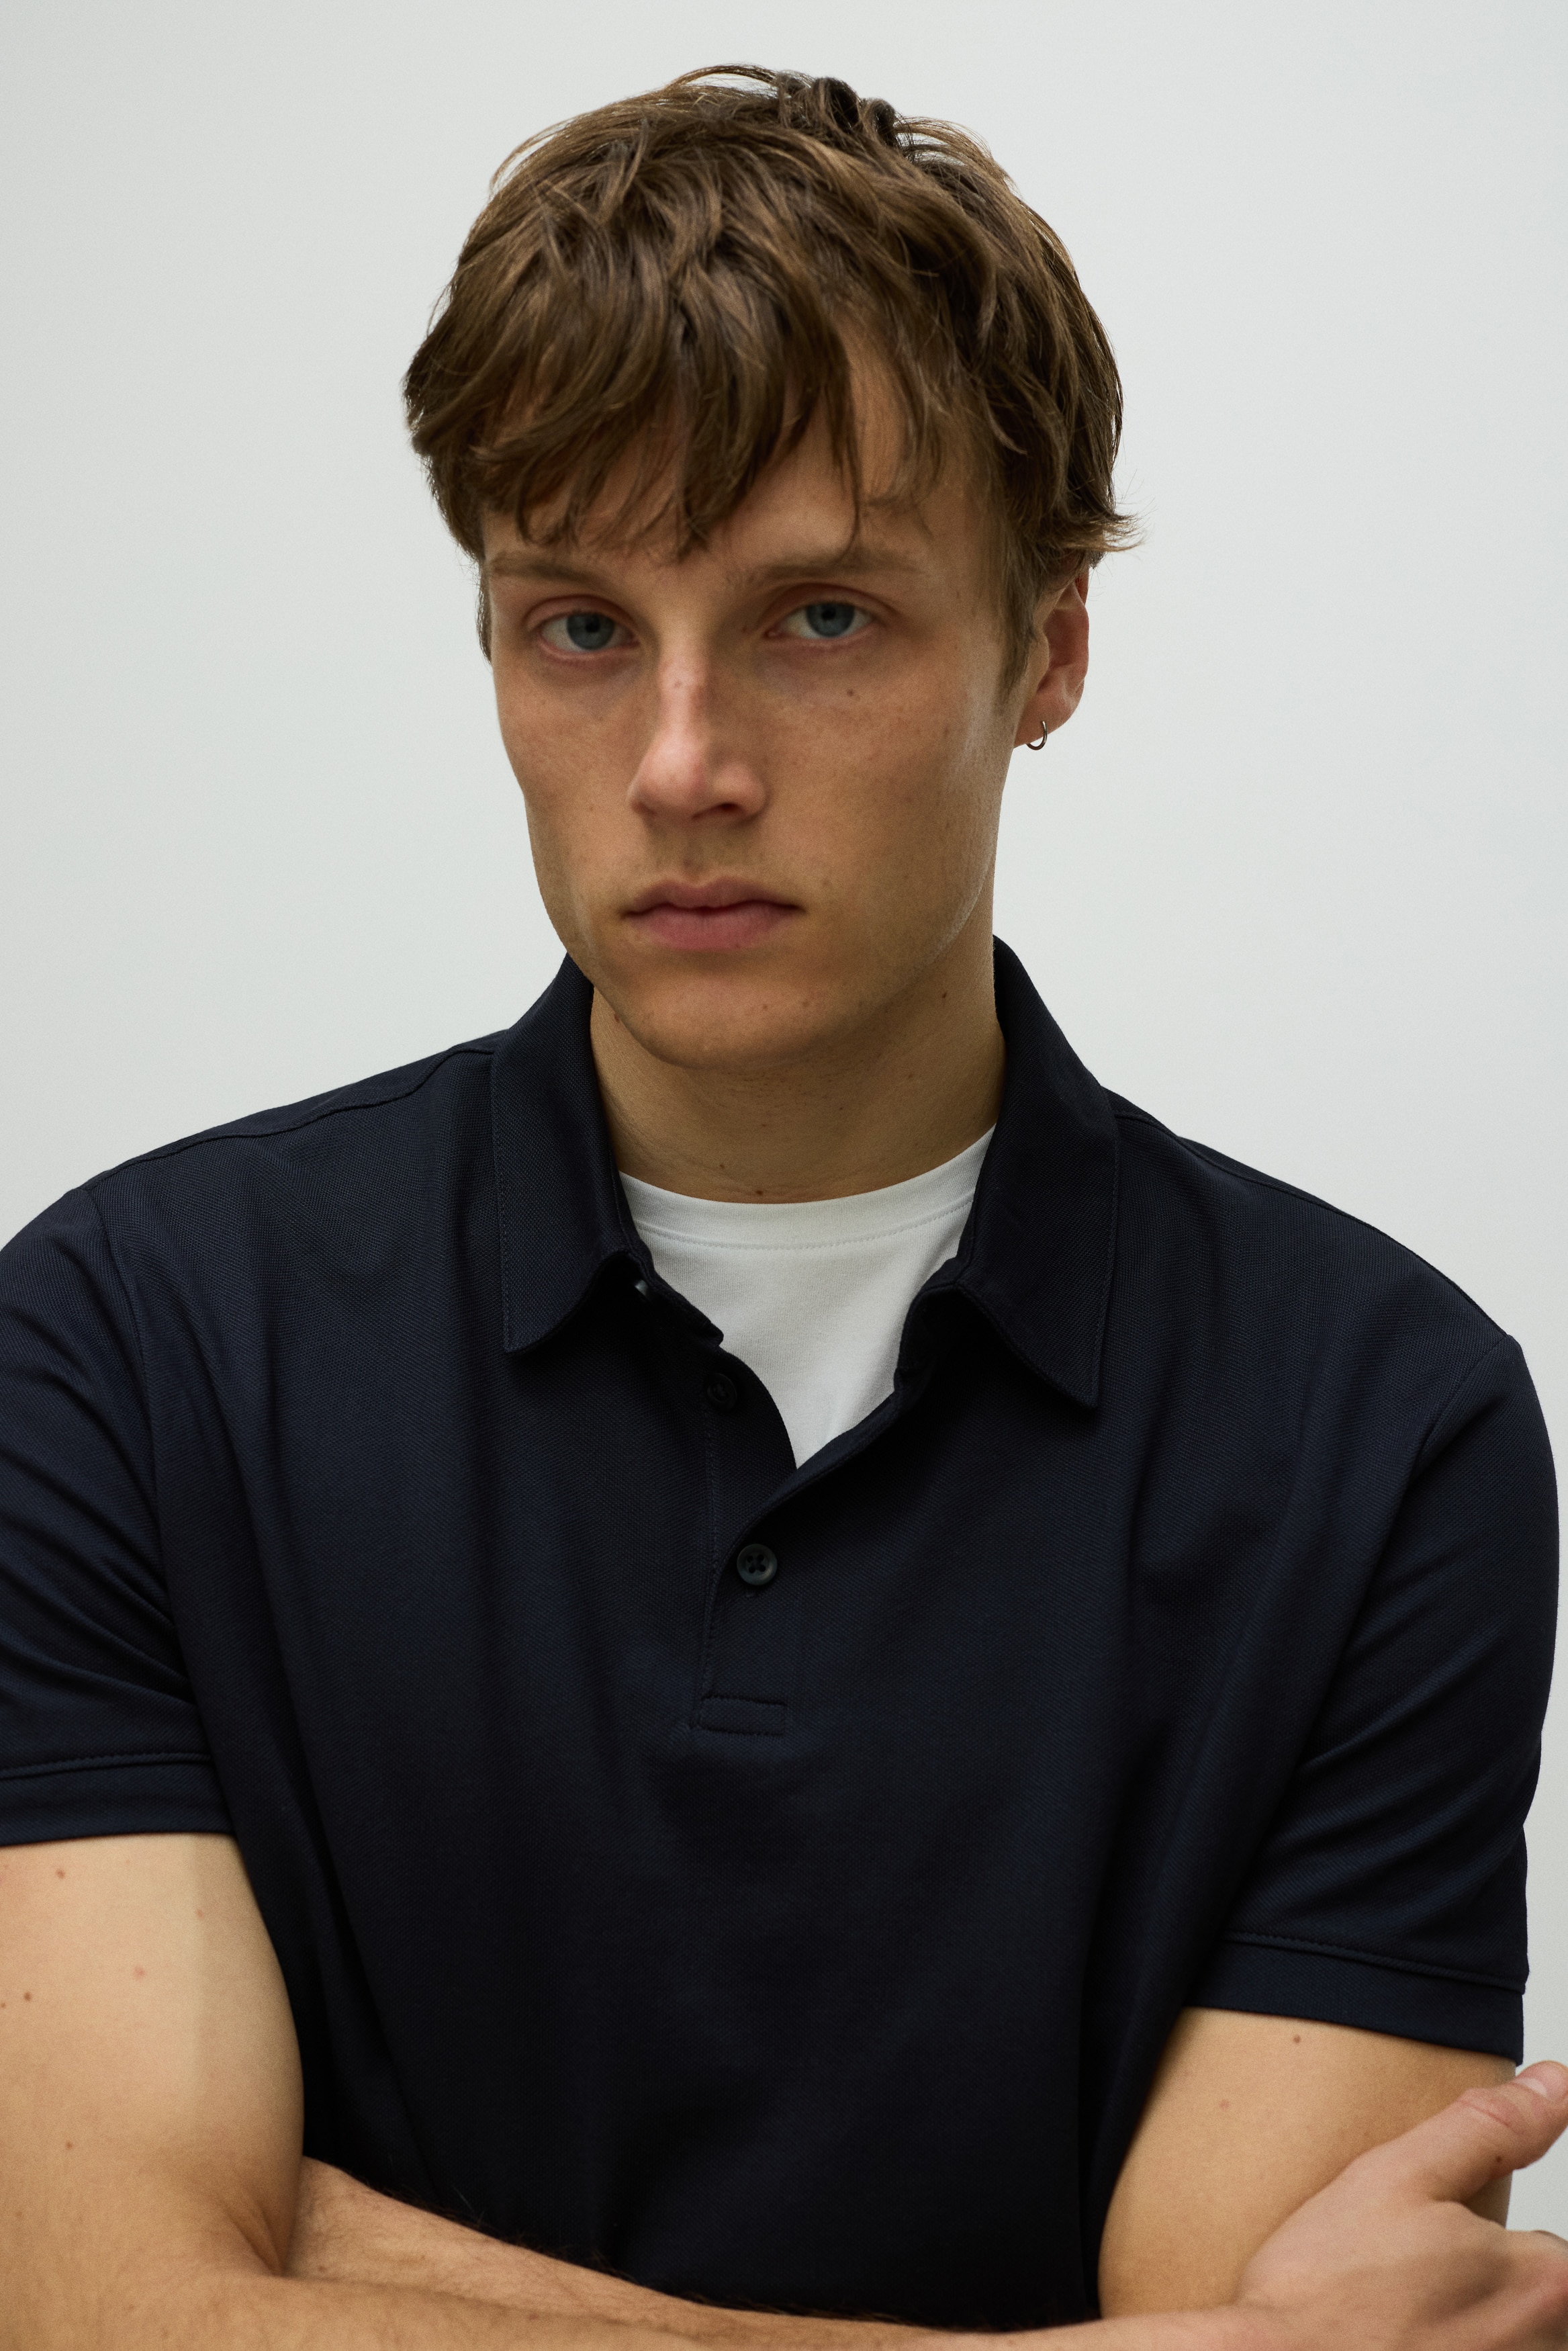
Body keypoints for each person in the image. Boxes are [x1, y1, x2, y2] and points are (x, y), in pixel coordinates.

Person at [0, 62, 1562, 2351]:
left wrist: (333, 2265)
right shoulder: (129, 1350)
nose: (681, 761)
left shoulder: (1384, 1427)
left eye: (819, 617)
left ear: (1050, 647)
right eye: (578, 625)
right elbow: (99, 2310)